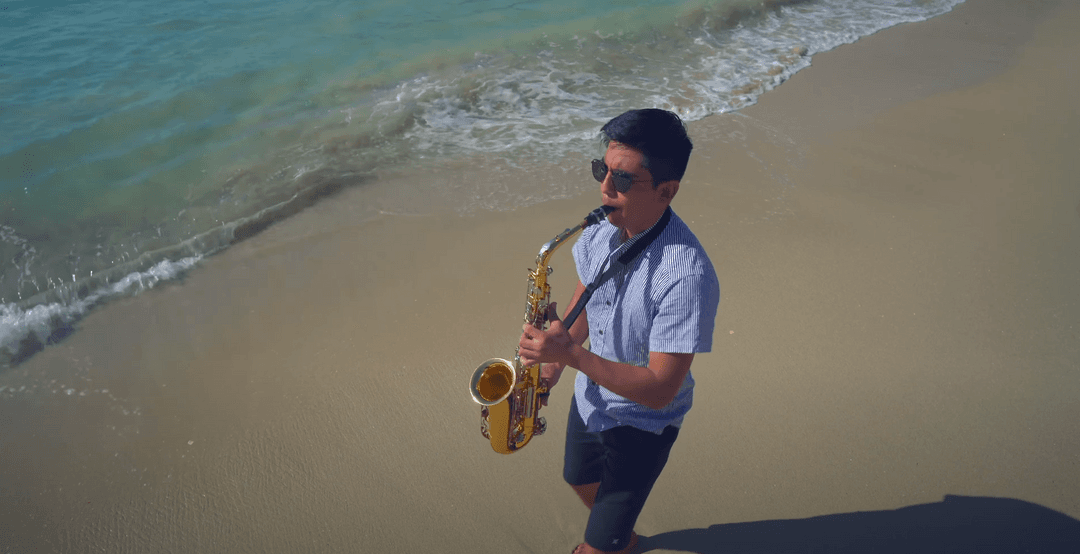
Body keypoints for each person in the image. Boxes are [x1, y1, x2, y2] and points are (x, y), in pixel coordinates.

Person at [517, 108, 720, 554]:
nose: (605, 188)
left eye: (623, 180)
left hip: (642, 426)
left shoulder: (686, 276)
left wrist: (569, 354)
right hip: (592, 398)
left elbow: (659, 391)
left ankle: (608, 543)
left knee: (598, 548)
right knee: (578, 476)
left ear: (667, 190)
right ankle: (617, 535)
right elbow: (590, 296)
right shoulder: (599, 231)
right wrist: (552, 366)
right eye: (601, 171)